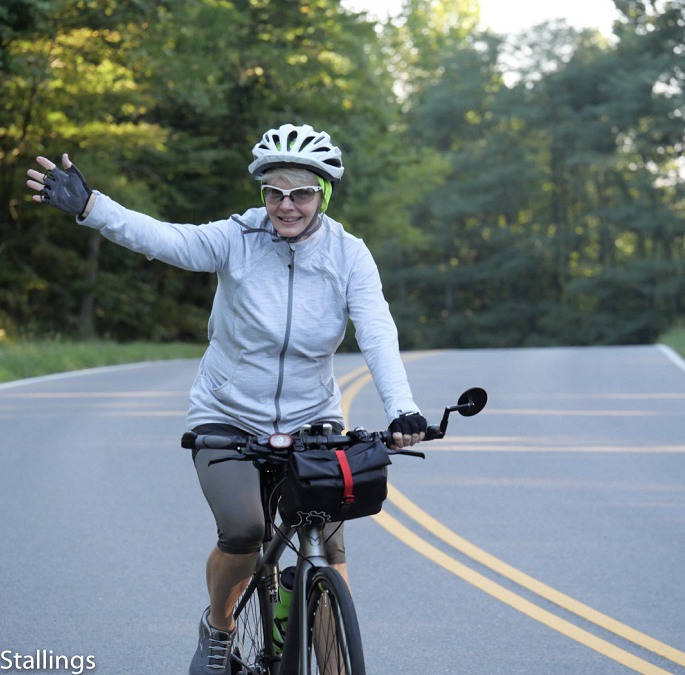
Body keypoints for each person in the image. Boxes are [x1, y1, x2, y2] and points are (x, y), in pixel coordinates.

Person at [26, 123, 427, 674]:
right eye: (275, 192)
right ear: (263, 193)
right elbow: (162, 238)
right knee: (244, 530)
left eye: (302, 193)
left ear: (324, 194)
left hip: (314, 419)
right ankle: (220, 627)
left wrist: (401, 407)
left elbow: (377, 332)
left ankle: (335, 664)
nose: (287, 206)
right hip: (228, 417)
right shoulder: (234, 239)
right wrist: (92, 206)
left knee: (329, 550)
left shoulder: (349, 255)